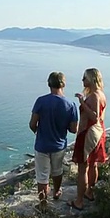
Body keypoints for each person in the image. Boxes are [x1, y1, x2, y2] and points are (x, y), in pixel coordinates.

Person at [29, 72, 79, 210]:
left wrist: (38, 132)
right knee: (57, 171)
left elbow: (32, 124)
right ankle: (57, 192)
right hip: (59, 145)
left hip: (42, 145)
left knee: (42, 176)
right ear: (63, 84)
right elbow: (74, 129)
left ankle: (43, 205)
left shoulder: (41, 101)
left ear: (49, 84)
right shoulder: (70, 105)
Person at [69, 68, 107, 211]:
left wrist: (81, 102)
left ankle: (79, 201)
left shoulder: (95, 96)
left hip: (88, 133)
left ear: (91, 79)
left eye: (84, 78)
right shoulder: (101, 94)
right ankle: (89, 192)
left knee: (82, 168)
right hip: (99, 132)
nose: (82, 80)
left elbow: (94, 116)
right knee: (93, 165)